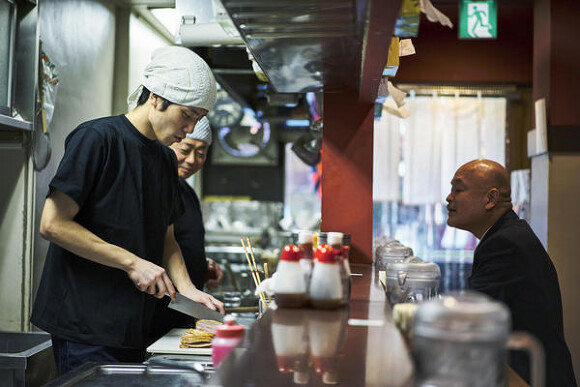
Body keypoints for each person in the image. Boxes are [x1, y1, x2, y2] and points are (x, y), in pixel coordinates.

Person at [30, 46, 225, 376]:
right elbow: (53, 224)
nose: (190, 129)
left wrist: (189, 290)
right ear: (156, 97)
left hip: (136, 326)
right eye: (187, 115)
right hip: (85, 324)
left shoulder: (164, 159)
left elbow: (168, 241)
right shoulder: (98, 138)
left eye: (198, 119)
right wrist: (132, 262)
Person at [446, 159, 576, 387]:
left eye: (458, 189)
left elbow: (472, 321)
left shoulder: (505, 244)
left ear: (491, 199)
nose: (449, 197)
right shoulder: (506, 235)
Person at [149, 117, 224, 339]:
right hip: (156, 311)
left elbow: (180, 242)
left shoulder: (187, 192)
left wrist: (202, 264)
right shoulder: (154, 187)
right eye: (186, 149)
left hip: (182, 312)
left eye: (201, 153)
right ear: (169, 143)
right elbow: (159, 244)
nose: (192, 160)